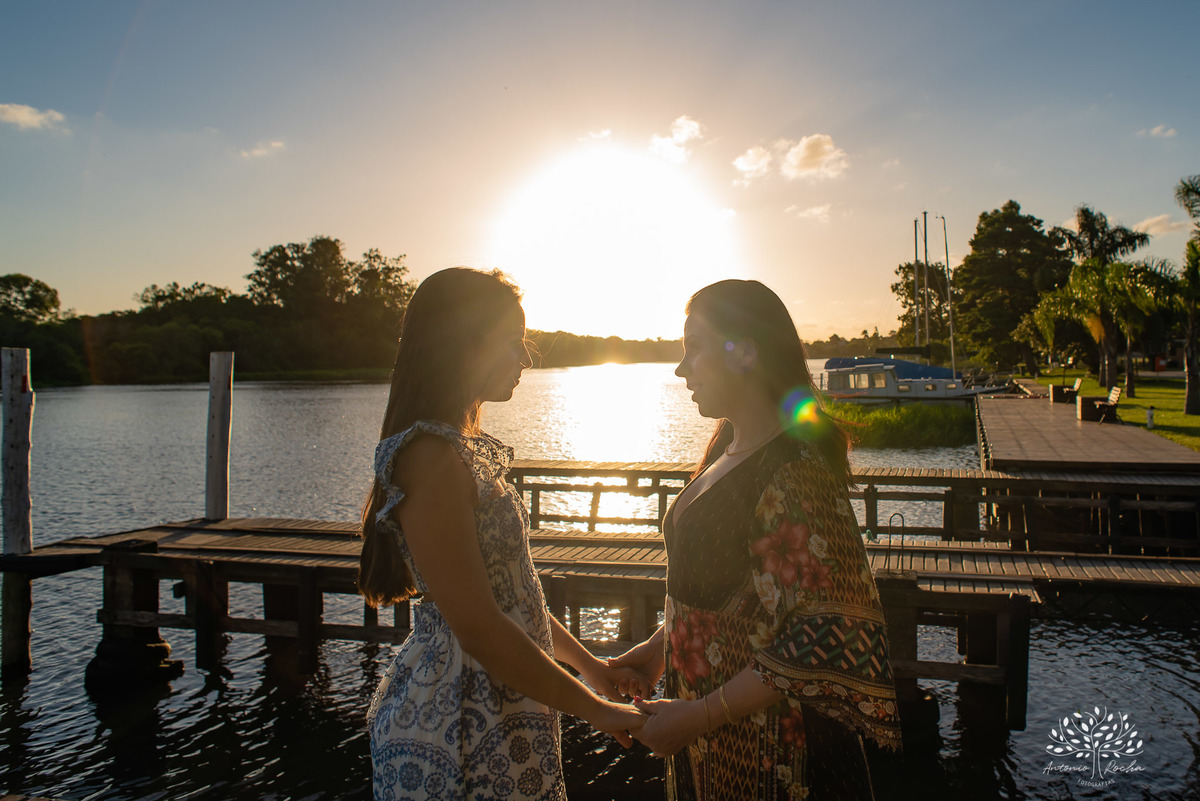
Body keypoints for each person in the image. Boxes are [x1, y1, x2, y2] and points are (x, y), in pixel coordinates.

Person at [358, 267, 644, 800]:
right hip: (459, 716)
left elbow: (515, 598)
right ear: (463, 344)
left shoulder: (459, 450)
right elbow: (480, 627)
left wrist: (590, 669)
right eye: (511, 341)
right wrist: (598, 712)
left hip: (502, 701)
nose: (524, 357)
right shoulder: (429, 456)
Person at [611, 279, 902, 800]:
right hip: (710, 733)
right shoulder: (727, 446)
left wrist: (700, 715)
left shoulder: (794, 469)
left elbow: (820, 631)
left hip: (777, 749)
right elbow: (726, 592)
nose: (680, 369)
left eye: (693, 349)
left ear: (745, 353)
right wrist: (660, 649)